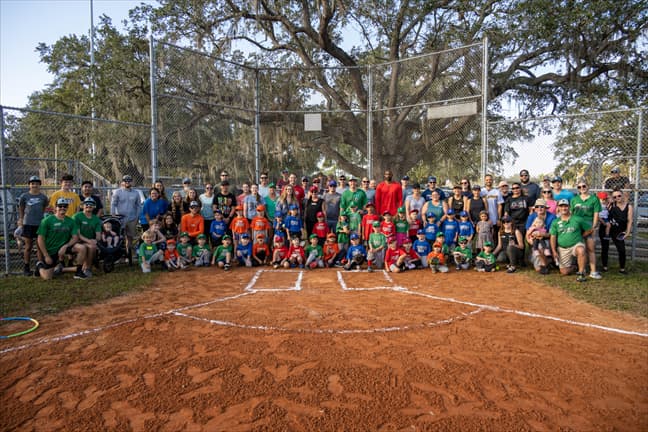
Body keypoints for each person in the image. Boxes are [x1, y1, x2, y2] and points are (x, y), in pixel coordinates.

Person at [36, 198, 87, 280]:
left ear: (67, 208)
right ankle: (39, 265)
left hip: (65, 247)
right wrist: (46, 255)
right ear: (55, 207)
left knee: (82, 248)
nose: (62, 208)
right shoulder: (47, 221)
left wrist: (65, 246)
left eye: (65, 206)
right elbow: (40, 239)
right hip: (51, 250)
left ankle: (78, 272)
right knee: (47, 277)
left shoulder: (71, 221)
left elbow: (75, 238)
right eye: (60, 206)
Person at [550, 199, 589, 282]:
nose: (564, 208)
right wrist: (554, 251)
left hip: (576, 244)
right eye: (561, 206)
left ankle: (581, 273)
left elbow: (589, 229)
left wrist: (581, 236)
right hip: (563, 248)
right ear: (558, 208)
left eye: (566, 206)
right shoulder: (555, 222)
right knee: (564, 272)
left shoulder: (577, 219)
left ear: (569, 207)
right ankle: (575, 266)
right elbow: (553, 237)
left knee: (581, 250)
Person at [570, 180, 602, 279]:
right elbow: (571, 214)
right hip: (577, 226)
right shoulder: (574, 199)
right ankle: (581, 269)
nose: (582, 188)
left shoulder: (594, 199)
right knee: (580, 248)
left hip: (588, 225)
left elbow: (596, 214)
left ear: (588, 186)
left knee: (590, 248)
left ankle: (593, 271)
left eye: (584, 186)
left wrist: (594, 227)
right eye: (579, 187)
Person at [18, 175, 48, 276]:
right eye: (32, 183)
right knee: (28, 246)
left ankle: (39, 267)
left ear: (39, 185)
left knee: (40, 246)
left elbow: (44, 208)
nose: (34, 185)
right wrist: (21, 219)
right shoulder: (24, 196)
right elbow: (21, 208)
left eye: (36, 183)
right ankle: (26, 267)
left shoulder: (43, 197)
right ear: (29, 185)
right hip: (28, 224)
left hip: (39, 224)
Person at [601, 189, 633, 274]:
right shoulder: (611, 205)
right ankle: (604, 267)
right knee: (605, 248)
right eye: (615, 197)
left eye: (619, 195)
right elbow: (603, 212)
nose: (617, 198)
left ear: (622, 195)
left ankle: (622, 269)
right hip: (607, 229)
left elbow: (630, 220)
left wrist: (628, 232)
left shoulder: (628, 206)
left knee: (621, 249)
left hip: (618, 231)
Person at [111, 174, 141, 253]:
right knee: (120, 236)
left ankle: (129, 253)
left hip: (132, 219)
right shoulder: (117, 192)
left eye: (129, 181)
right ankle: (120, 253)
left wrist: (137, 217)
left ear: (132, 182)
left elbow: (138, 205)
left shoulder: (136, 193)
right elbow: (113, 204)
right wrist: (113, 215)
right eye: (125, 181)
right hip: (120, 219)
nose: (127, 182)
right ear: (122, 182)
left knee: (130, 236)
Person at [73, 197, 102, 277]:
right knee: (87, 246)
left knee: (92, 246)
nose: (89, 206)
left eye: (91, 204)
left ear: (94, 207)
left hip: (87, 241)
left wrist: (95, 240)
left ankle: (87, 269)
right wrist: (89, 241)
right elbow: (78, 234)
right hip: (76, 241)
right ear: (83, 206)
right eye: (86, 204)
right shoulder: (77, 216)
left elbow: (98, 235)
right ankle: (83, 268)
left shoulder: (96, 219)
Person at [525, 199, 556, 274]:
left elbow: (552, 234)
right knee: (537, 268)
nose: (539, 208)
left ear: (546, 208)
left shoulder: (552, 217)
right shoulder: (531, 217)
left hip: (547, 238)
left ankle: (544, 265)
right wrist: (529, 240)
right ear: (535, 208)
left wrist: (542, 234)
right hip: (534, 238)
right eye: (537, 207)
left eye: (542, 206)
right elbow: (527, 232)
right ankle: (547, 263)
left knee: (541, 247)